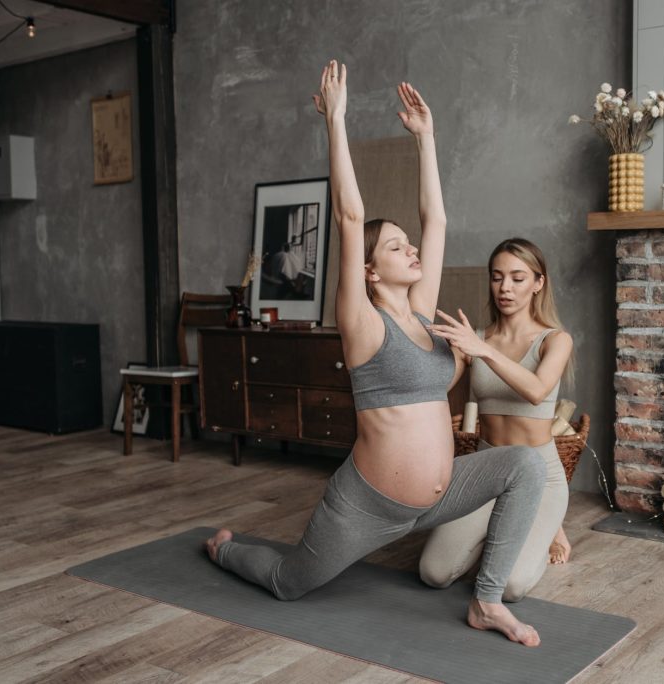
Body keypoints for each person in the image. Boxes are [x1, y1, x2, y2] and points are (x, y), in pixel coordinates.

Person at [205, 60, 546, 647]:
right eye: (396, 247)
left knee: (524, 464)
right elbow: (350, 215)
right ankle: (224, 550)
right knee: (289, 582)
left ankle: (486, 603)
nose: (411, 249)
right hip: (367, 506)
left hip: (437, 498)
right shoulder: (361, 322)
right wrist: (336, 122)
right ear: (368, 268)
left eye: (408, 244)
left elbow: (436, 218)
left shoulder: (420, 310)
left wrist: (427, 139)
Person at [420, 239, 575, 601]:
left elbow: (536, 390)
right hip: (486, 469)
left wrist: (484, 352)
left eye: (518, 278)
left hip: (539, 474)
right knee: (433, 573)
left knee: (510, 587)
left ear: (538, 283)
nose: (505, 287)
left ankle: (549, 524)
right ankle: (503, 528)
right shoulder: (472, 339)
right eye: (497, 277)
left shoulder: (555, 340)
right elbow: (435, 389)